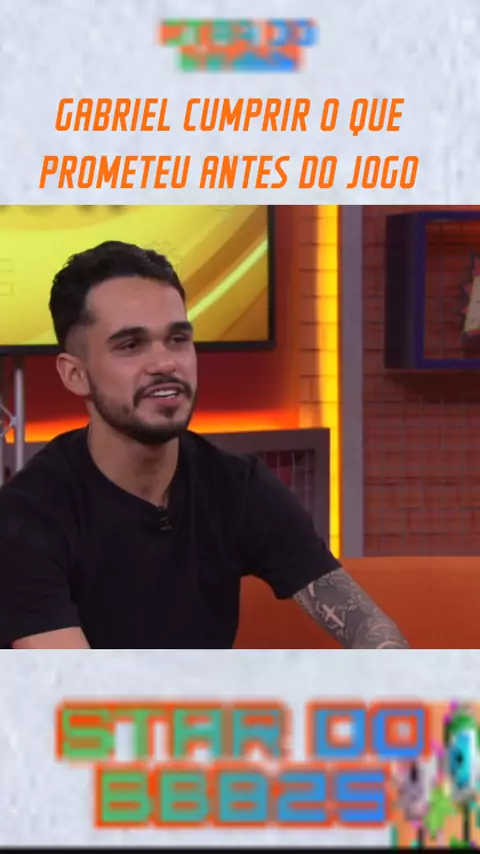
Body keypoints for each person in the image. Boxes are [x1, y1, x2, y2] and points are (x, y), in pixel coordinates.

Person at [0, 241, 410, 650]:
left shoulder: (238, 488)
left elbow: (372, 629)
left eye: (177, 339)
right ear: (75, 375)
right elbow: (73, 685)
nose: (165, 363)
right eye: (130, 345)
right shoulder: (28, 514)